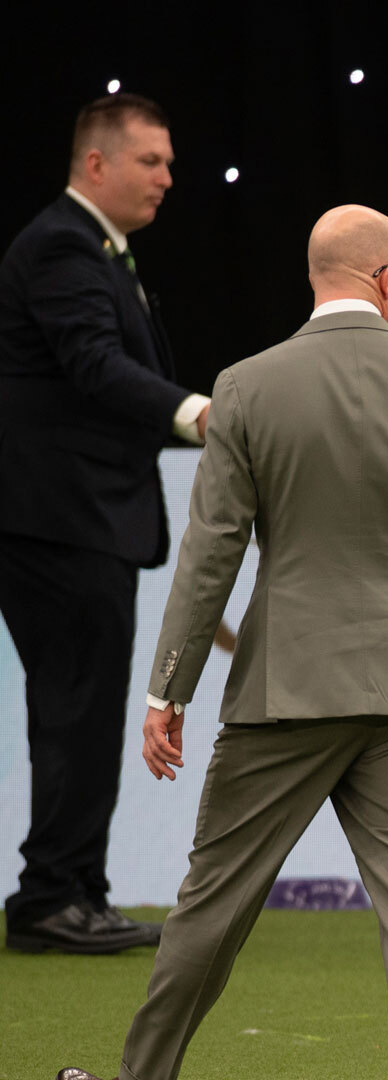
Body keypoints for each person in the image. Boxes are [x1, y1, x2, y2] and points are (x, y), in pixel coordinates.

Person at [54, 205, 388, 1080]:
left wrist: (166, 691)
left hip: (286, 688)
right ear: (384, 276)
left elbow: (209, 555)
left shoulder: (248, 389)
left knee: (215, 896)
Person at [0, 93, 212, 955]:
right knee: (76, 709)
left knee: (78, 710)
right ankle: (54, 895)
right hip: (62, 521)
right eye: (151, 161)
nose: (168, 176)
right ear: (98, 164)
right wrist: (200, 413)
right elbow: (95, 367)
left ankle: (73, 886)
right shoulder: (61, 245)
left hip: (76, 520)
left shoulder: (94, 249)